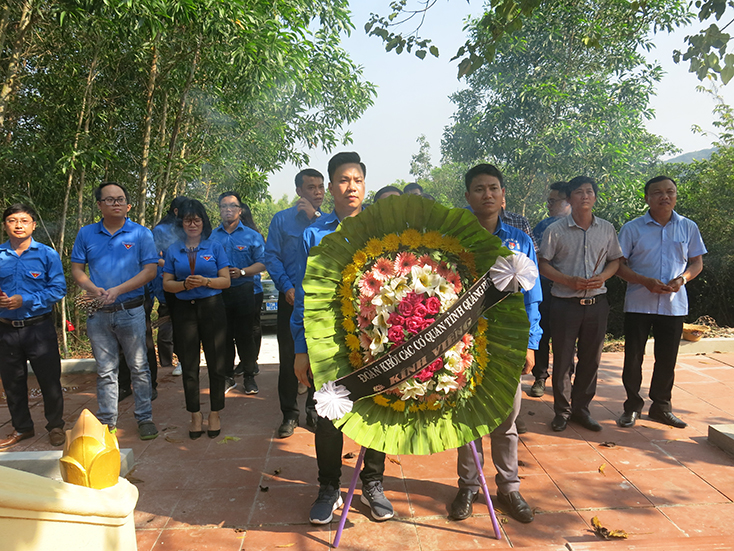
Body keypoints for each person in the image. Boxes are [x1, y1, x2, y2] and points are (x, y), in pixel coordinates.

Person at [292, 152, 393, 524]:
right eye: (343, 180)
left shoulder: (382, 229)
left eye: (357, 180)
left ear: (364, 186)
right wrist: (301, 349)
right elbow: (304, 296)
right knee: (329, 415)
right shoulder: (313, 234)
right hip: (328, 340)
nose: (351, 187)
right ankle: (328, 488)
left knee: (379, 411)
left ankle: (372, 483)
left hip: (377, 338)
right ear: (331, 187)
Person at [449, 164, 541, 524]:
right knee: (467, 417)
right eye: (479, 189)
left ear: (503, 196)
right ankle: (468, 487)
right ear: (468, 197)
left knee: (507, 420)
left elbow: (533, 298)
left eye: (493, 188)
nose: (487, 194)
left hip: (507, 344)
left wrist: (530, 344)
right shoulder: (455, 241)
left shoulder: (521, 242)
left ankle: (509, 487)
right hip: (465, 344)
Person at [616, 176, 706, 429]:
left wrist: (682, 279)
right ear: (646, 198)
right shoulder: (632, 228)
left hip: (673, 303)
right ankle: (632, 406)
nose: (664, 196)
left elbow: (696, 262)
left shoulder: (688, 227)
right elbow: (618, 266)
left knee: (667, 358)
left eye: (670, 192)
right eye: (657, 192)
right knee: (633, 357)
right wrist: (644, 281)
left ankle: (661, 407)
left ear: (676, 196)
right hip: (638, 302)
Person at [71, 182, 159, 440]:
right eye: (109, 200)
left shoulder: (141, 234)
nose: (116, 203)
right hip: (98, 312)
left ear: (127, 204)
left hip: (130, 311)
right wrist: (91, 287)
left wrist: (118, 290)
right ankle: (107, 423)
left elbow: (150, 271)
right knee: (105, 370)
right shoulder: (86, 234)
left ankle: (145, 418)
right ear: (99, 205)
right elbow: (77, 269)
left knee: (139, 368)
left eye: (120, 199)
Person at [538, 176, 622, 433]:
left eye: (589, 192)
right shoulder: (555, 230)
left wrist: (604, 276)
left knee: (591, 359)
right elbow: (543, 264)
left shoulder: (607, 229)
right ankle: (562, 411)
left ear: (595, 197)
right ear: (569, 199)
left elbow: (615, 261)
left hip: (597, 303)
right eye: (578, 192)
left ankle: (581, 409)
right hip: (565, 303)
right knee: (563, 359)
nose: (585, 196)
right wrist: (567, 280)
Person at [163, 199, 231, 439]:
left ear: (203, 222)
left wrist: (205, 281)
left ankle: (214, 412)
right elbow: (166, 284)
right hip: (184, 309)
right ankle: (194, 414)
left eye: (197, 219)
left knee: (216, 363)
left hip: (212, 307)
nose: (192, 224)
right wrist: (183, 284)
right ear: (181, 223)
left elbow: (226, 281)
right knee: (189, 365)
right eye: (187, 220)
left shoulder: (214, 247)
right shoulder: (173, 249)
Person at [264, 168, 324, 438]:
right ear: (299, 191)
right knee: (290, 357)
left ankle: (314, 409)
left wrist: (315, 219)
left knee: (320, 357)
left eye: (321, 186)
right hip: (290, 298)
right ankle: (289, 413)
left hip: (321, 301)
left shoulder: (327, 222)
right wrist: (286, 287)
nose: (318, 192)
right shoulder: (282, 220)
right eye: (311, 187)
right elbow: (272, 257)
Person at [0, 204, 66, 448]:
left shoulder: (47, 254)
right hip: (5, 329)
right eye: (12, 220)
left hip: (39, 328)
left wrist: (25, 300)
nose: (18, 225)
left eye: (24, 220)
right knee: (12, 382)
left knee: (49, 380)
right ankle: (22, 428)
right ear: (5, 225)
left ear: (33, 225)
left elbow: (58, 289)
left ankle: (56, 426)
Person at [211, 192, 265, 396]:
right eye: (223, 206)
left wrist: (243, 271)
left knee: (245, 336)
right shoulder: (213, 236)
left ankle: (249, 376)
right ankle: (227, 377)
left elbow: (263, 262)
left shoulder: (252, 236)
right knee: (223, 337)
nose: (227, 210)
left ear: (240, 210)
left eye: (232, 206)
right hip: (220, 292)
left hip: (245, 290)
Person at [528, 182, 571, 398]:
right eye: (549, 201)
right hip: (545, 287)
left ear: (568, 202)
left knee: (567, 337)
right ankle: (540, 377)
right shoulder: (542, 227)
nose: (549, 205)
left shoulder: (579, 227)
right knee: (542, 333)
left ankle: (565, 380)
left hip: (570, 291)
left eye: (554, 201)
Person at [153, 196, 188, 376]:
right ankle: (168, 363)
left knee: (185, 324)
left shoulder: (191, 228)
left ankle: (184, 359)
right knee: (168, 322)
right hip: (168, 282)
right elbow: (152, 257)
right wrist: (170, 265)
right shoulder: (161, 230)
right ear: (176, 211)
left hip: (190, 284)